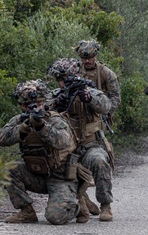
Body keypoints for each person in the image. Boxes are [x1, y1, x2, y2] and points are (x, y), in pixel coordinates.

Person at [0, 79, 79, 225]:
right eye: (29, 106)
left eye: (39, 104)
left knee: (55, 217)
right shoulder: (20, 120)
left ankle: (79, 202)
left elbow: (63, 141)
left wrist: (42, 127)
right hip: (37, 176)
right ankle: (26, 212)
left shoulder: (54, 119)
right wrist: (23, 128)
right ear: (22, 106)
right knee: (8, 169)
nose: (35, 108)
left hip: (60, 177)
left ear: (45, 102)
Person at [47, 58, 115, 222]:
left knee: (99, 161)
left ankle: (105, 204)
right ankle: (80, 200)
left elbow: (106, 106)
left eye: (66, 79)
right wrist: (57, 104)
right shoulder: (56, 95)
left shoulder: (90, 91)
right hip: (65, 149)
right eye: (60, 80)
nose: (63, 83)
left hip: (89, 144)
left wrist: (89, 98)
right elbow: (42, 111)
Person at [74, 39, 120, 120]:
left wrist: (107, 112)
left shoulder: (107, 74)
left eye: (90, 58)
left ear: (95, 56)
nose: (87, 61)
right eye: (84, 58)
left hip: (98, 116)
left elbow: (115, 98)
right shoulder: (75, 70)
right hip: (78, 116)